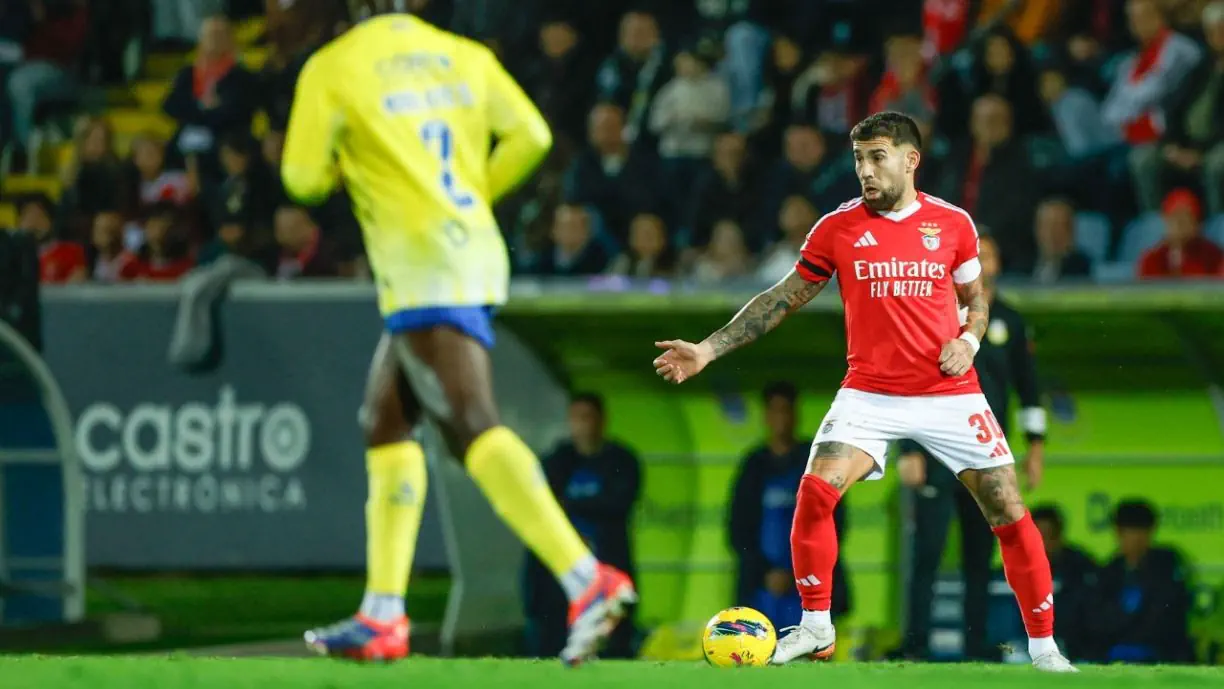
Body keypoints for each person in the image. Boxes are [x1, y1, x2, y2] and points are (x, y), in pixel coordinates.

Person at [652, 111, 1076, 673]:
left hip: (950, 392)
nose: (866, 171)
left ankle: (1045, 648)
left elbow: (977, 301)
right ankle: (815, 627)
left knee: (1008, 510)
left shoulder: (954, 225)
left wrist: (969, 342)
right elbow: (782, 298)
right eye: (858, 159)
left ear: (910, 159)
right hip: (869, 394)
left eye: (877, 157)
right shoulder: (837, 228)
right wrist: (708, 349)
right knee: (815, 493)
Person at [282, 1, 636, 665]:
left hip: (419, 265)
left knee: (471, 422)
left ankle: (585, 577)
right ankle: (382, 612)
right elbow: (530, 134)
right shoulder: (466, 56)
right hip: (470, 246)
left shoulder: (333, 67)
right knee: (383, 419)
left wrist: (340, 163)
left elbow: (300, 179)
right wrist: (471, 190)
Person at [892, 231, 1049, 662]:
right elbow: (908, 382)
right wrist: (907, 448)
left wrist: (1035, 448)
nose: (982, 258)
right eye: (975, 253)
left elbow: (1029, 389)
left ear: (997, 264)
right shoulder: (935, 313)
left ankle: (977, 645)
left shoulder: (1012, 322)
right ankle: (915, 645)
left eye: (990, 254)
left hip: (983, 453)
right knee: (926, 551)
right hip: (935, 451)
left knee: (980, 555)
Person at [523, 393, 641, 659]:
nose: (581, 425)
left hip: (607, 559)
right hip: (559, 574)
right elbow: (543, 506)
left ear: (601, 420)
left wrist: (572, 506)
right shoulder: (556, 461)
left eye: (587, 417)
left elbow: (618, 504)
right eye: (576, 418)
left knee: (613, 638)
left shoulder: (622, 461)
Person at [728, 382, 850, 628]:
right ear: (766, 416)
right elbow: (738, 528)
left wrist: (799, 572)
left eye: (786, 410)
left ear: (796, 414)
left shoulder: (816, 462)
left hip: (812, 581)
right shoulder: (753, 465)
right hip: (761, 586)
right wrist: (765, 573)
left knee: (815, 653)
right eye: (775, 410)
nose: (781, 417)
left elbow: (836, 522)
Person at [1091, 500, 1194, 663]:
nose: (1136, 539)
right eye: (1128, 532)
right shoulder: (1110, 571)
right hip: (1115, 651)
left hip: (1161, 651)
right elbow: (1099, 619)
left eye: (1141, 532)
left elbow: (1167, 616)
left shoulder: (1167, 564)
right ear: (1117, 533)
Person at [1031, 505, 1099, 662]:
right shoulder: (1017, 569)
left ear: (1060, 535)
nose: (1044, 543)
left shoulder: (1081, 566)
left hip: (1076, 647)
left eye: (1049, 536)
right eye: (1038, 537)